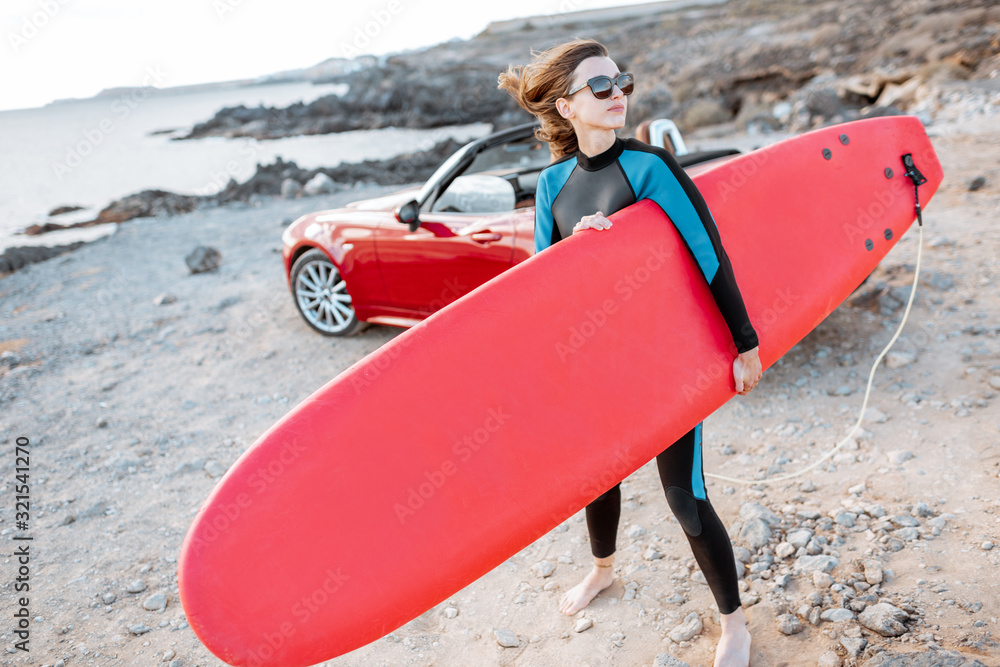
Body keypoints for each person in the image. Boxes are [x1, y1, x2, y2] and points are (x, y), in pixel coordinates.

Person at [498, 39, 763, 667]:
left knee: (685, 495)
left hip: (665, 365)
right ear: (565, 106)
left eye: (621, 81)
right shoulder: (552, 186)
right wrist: (577, 252)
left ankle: (734, 625)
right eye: (600, 87)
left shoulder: (649, 168)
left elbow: (709, 252)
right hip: (594, 368)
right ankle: (604, 569)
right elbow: (542, 287)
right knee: (597, 476)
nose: (617, 94)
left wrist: (744, 342)